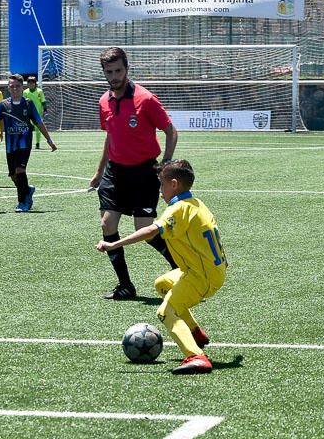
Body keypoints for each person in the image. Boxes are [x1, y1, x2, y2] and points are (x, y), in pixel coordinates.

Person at [97, 160, 227, 375]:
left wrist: (114, 244)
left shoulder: (178, 209)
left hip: (200, 276)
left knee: (165, 311)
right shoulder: (197, 203)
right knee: (162, 284)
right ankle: (195, 332)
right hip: (212, 270)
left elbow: (150, 231)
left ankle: (196, 356)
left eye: (161, 185)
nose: (160, 191)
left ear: (174, 184)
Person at [89, 46, 179, 301]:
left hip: (144, 172)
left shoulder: (146, 99)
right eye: (109, 72)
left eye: (118, 70)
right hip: (115, 173)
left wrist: (166, 163)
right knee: (107, 223)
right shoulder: (103, 101)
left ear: (127, 69)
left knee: (146, 230)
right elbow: (110, 137)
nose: (114, 76)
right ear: (104, 73)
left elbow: (171, 131)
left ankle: (182, 269)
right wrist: (99, 172)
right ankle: (125, 285)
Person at [0, 73, 57, 212]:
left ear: (22, 87)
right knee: (13, 175)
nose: (14, 89)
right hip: (10, 146)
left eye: (17, 86)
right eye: (12, 86)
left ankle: (22, 203)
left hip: (24, 144)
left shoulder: (28, 104)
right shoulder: (3, 105)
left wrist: (49, 140)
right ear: (8, 88)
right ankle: (28, 190)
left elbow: (39, 122)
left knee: (20, 170)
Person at [22, 75, 47, 150]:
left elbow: (43, 101)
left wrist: (45, 110)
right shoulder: (25, 92)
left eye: (32, 82)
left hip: (37, 114)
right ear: (27, 84)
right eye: (29, 83)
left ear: (35, 83)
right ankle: (26, 143)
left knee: (38, 129)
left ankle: (37, 143)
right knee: (26, 129)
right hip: (28, 114)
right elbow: (23, 102)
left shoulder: (40, 91)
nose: (31, 84)